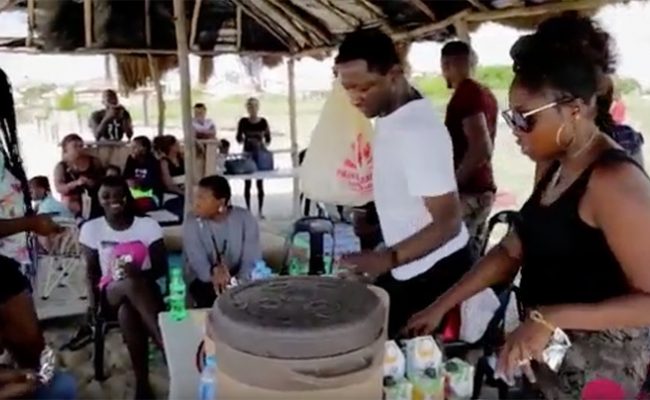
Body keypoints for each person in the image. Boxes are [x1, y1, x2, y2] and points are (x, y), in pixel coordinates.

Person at [406, 14, 650, 399]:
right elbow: (513, 248)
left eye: (524, 119)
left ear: (573, 110)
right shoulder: (553, 165)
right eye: (511, 117)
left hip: (601, 369)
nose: (515, 131)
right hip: (545, 350)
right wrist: (443, 305)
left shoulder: (614, 182)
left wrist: (551, 318)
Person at [335, 29, 471, 339]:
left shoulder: (416, 131)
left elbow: (448, 221)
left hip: (434, 270)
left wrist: (385, 258)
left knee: (411, 370)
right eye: (348, 89)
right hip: (408, 261)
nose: (355, 98)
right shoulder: (392, 115)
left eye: (365, 87)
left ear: (395, 74)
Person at [0, 66, 76, 400]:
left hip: (12, 263)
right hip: (1, 271)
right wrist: (32, 224)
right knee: (38, 366)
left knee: (26, 363)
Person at [79, 176, 167, 399]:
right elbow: (91, 273)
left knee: (127, 311)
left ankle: (142, 383)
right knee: (128, 284)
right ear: (98, 200)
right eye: (106, 196)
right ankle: (167, 345)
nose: (113, 200)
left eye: (119, 194)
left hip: (145, 293)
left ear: (127, 197)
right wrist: (92, 306)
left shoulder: (148, 225)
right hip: (109, 293)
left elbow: (160, 268)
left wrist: (137, 276)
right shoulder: (91, 229)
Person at [441, 41, 498, 256]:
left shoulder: (467, 94)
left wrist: (453, 186)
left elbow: (481, 147)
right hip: (481, 189)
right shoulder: (485, 94)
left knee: (453, 261)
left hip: (469, 193)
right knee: (470, 260)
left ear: (446, 65)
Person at [183, 175, 262, 308]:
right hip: (203, 282)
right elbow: (197, 261)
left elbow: (251, 260)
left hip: (239, 282)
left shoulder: (245, 219)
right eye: (196, 197)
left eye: (202, 198)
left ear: (221, 202)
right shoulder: (192, 222)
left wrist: (235, 283)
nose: (196, 202)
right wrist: (214, 273)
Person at [53, 134, 103, 219]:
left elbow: (103, 180)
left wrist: (92, 182)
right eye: (75, 146)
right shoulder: (61, 167)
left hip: (94, 197)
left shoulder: (94, 161)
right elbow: (59, 188)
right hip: (73, 202)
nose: (79, 149)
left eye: (81, 146)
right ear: (66, 150)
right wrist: (75, 183)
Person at [236, 97, 271, 218]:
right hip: (247, 153)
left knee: (260, 183)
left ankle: (260, 211)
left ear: (258, 107)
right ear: (247, 108)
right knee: (247, 183)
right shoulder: (243, 122)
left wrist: (261, 144)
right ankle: (248, 210)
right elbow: (238, 138)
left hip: (259, 153)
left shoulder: (263, 122)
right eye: (250, 107)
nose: (252, 109)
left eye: (255, 106)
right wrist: (246, 139)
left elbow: (268, 139)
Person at [123, 136, 163, 212]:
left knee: (132, 206)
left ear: (144, 148)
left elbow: (152, 183)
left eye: (135, 147)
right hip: (134, 193)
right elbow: (125, 176)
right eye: (132, 147)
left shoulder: (153, 162)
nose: (132, 150)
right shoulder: (131, 160)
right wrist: (128, 181)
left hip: (151, 195)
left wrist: (137, 183)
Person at [157, 135, 185, 219]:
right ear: (170, 147)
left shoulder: (182, 159)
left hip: (185, 191)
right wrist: (182, 193)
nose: (179, 145)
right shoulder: (164, 162)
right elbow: (169, 185)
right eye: (176, 144)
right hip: (172, 195)